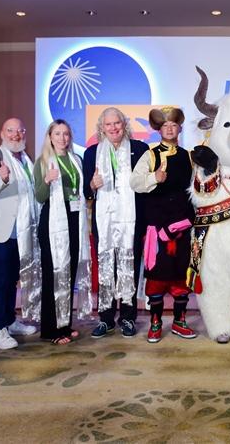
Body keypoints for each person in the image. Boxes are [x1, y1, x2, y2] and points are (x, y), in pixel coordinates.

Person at [130, 107, 196, 343]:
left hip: (183, 226)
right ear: (159, 129)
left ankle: (179, 321)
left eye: (173, 125)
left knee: (181, 277)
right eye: (165, 125)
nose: (169, 128)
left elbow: (196, 189)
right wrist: (153, 178)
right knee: (156, 277)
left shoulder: (189, 156)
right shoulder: (150, 155)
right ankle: (156, 323)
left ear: (180, 128)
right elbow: (134, 182)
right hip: (157, 229)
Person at [83, 108, 149, 339]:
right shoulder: (92, 153)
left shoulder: (140, 149)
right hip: (104, 221)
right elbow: (86, 191)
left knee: (130, 266)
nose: (113, 128)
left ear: (124, 124)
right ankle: (106, 319)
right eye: (108, 124)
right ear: (102, 127)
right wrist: (92, 185)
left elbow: (144, 186)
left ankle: (128, 318)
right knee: (106, 268)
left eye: (117, 123)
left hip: (132, 220)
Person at [0, 118, 40, 350]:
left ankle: (10, 321)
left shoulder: (25, 160)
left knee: (12, 279)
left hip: (21, 233)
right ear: (1, 133)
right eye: (10, 131)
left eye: (20, 131)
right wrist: (1, 179)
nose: (16, 135)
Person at [33, 119, 93, 345]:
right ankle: (50, 329)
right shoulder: (42, 161)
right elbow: (39, 196)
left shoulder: (76, 159)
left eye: (66, 133)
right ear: (50, 137)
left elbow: (81, 191)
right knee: (53, 274)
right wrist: (47, 181)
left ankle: (64, 324)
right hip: (52, 220)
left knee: (68, 273)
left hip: (74, 217)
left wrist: (93, 185)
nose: (62, 138)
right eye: (57, 133)